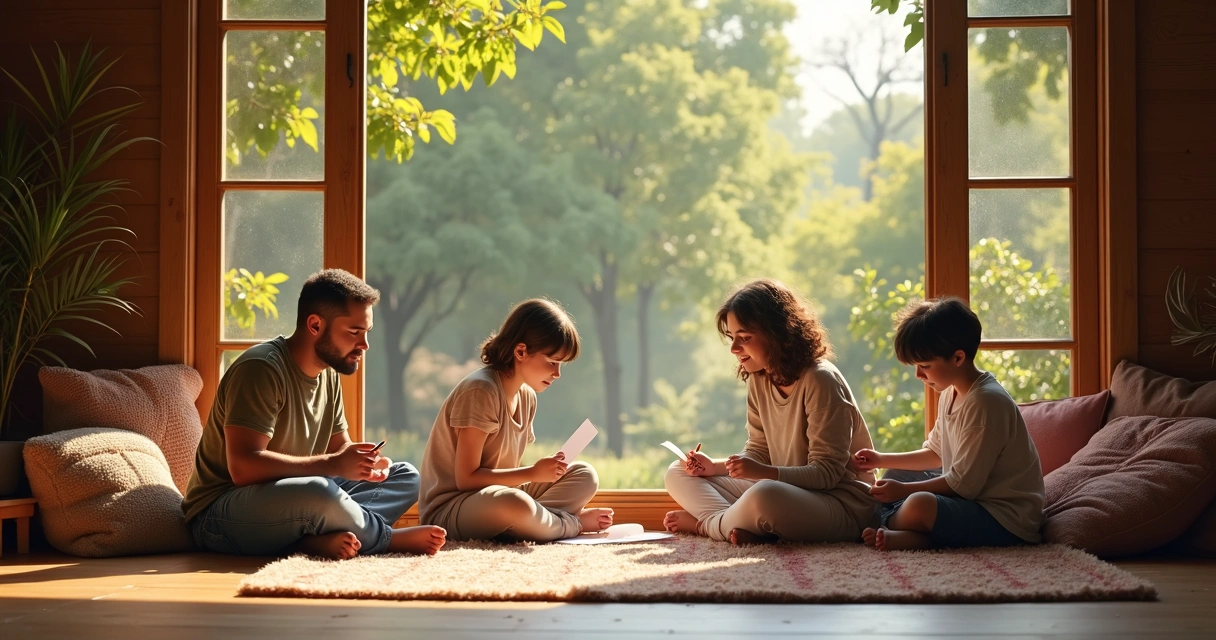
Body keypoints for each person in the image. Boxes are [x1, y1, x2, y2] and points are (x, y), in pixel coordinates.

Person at [182, 269, 446, 560]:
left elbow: (339, 448)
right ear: (315, 325)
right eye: (354, 333)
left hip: (294, 499)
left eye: (366, 333)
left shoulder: (327, 374)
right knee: (319, 492)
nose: (364, 345)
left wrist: (362, 464)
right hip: (220, 514)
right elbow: (243, 468)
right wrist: (333, 464)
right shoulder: (260, 368)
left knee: (407, 476)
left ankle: (310, 540)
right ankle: (384, 539)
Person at [663, 279, 879, 545]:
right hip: (789, 490)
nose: (733, 349)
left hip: (842, 503)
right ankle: (737, 524)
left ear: (778, 333)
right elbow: (758, 451)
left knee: (765, 495)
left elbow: (826, 474)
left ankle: (707, 525)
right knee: (677, 471)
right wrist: (713, 467)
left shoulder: (821, 380)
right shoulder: (760, 377)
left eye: (744, 338)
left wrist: (762, 472)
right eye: (732, 338)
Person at [852, 297, 1044, 551]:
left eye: (925, 366)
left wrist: (902, 493)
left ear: (957, 357)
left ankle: (898, 528)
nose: (919, 375)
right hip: (972, 499)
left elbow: (962, 486)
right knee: (896, 476)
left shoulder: (986, 402)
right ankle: (913, 534)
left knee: (919, 503)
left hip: (1004, 519)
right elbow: (935, 454)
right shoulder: (950, 393)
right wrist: (881, 459)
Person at [418, 298, 614, 542]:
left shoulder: (527, 396)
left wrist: (545, 471)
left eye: (561, 365)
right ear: (521, 351)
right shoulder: (480, 390)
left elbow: (506, 471)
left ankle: (530, 524)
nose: (557, 374)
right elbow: (466, 479)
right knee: (515, 503)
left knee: (585, 474)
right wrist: (532, 472)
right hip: (452, 508)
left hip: (499, 498)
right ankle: (570, 524)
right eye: (552, 362)